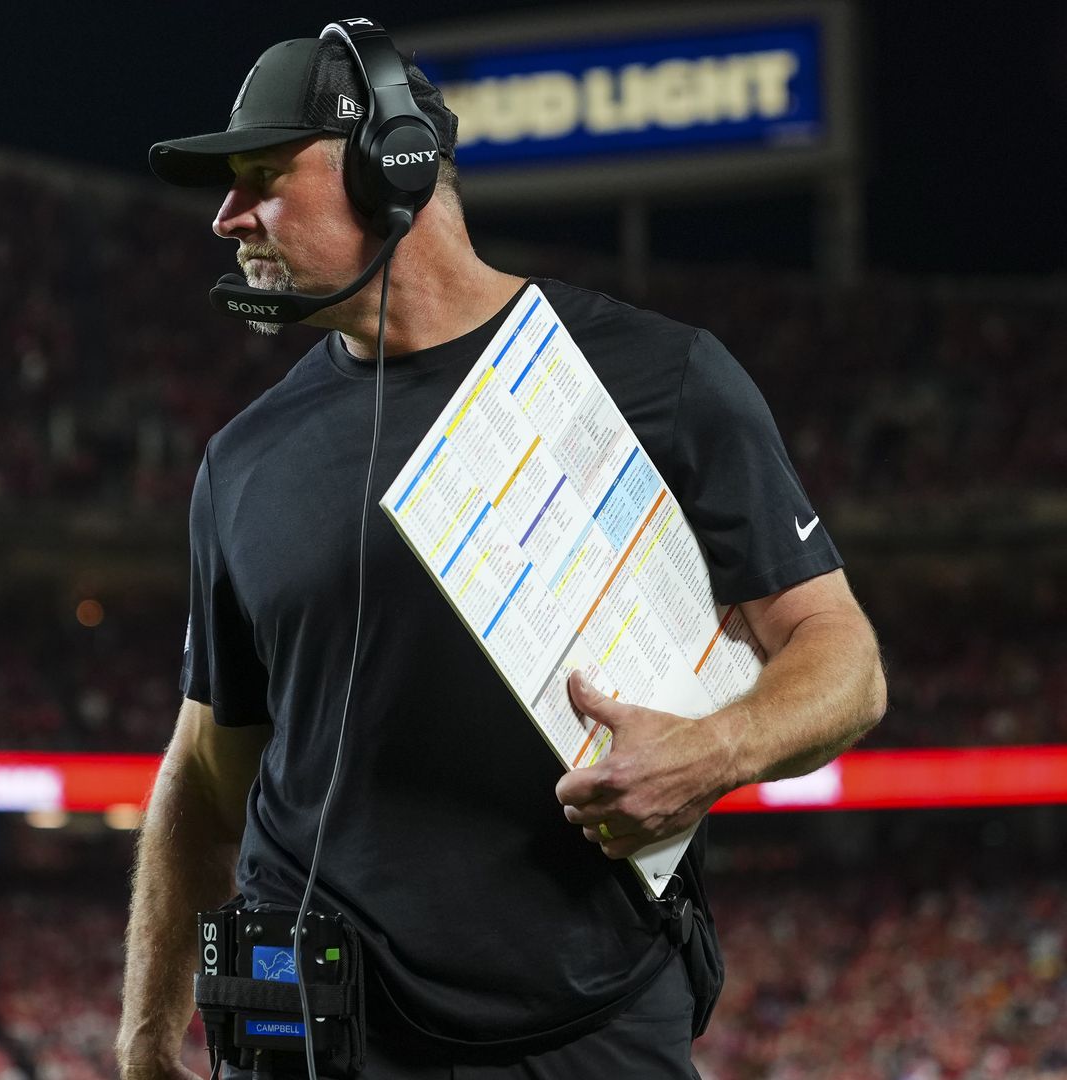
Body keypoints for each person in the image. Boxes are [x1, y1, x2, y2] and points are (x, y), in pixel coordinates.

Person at [116, 29, 888, 1080]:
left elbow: (843, 660)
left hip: (578, 1029)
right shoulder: (241, 462)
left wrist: (716, 752)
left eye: (262, 178)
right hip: (308, 1026)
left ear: (392, 168)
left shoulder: (662, 380)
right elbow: (208, 775)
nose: (226, 218)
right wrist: (148, 1033)